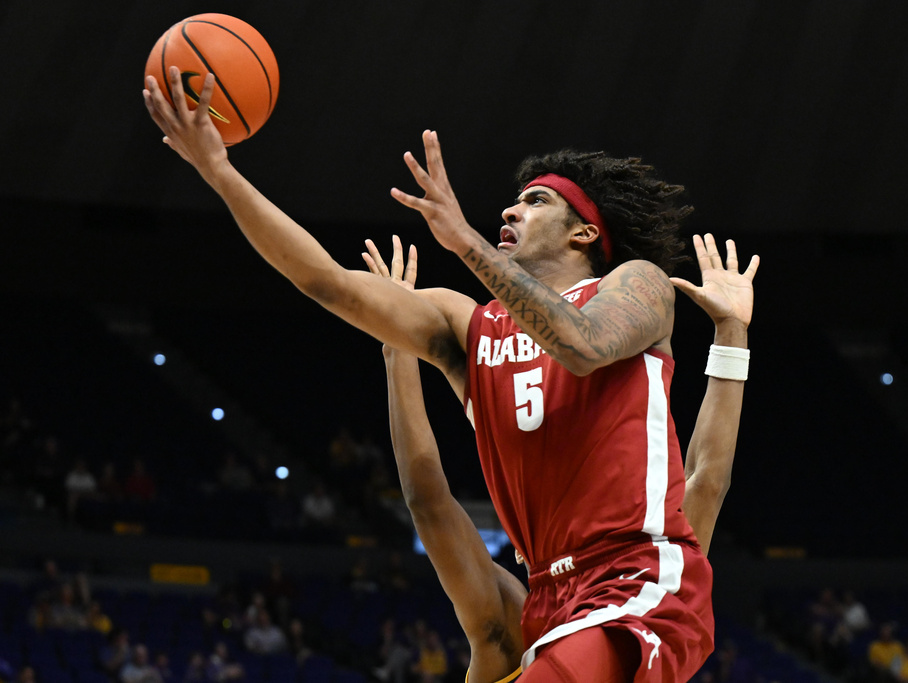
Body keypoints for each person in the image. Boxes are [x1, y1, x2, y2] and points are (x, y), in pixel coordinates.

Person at [143, 71, 759, 681]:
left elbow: (584, 345)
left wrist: (465, 242)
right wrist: (220, 174)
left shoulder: (637, 284)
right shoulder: (467, 326)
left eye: (535, 200)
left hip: (634, 581)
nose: (511, 209)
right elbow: (326, 282)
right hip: (548, 597)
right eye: (515, 201)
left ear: (585, 232)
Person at [369, 234, 752, 683]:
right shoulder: (512, 623)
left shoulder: (514, 621)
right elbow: (705, 479)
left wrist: (397, 351)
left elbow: (428, 502)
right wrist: (731, 334)